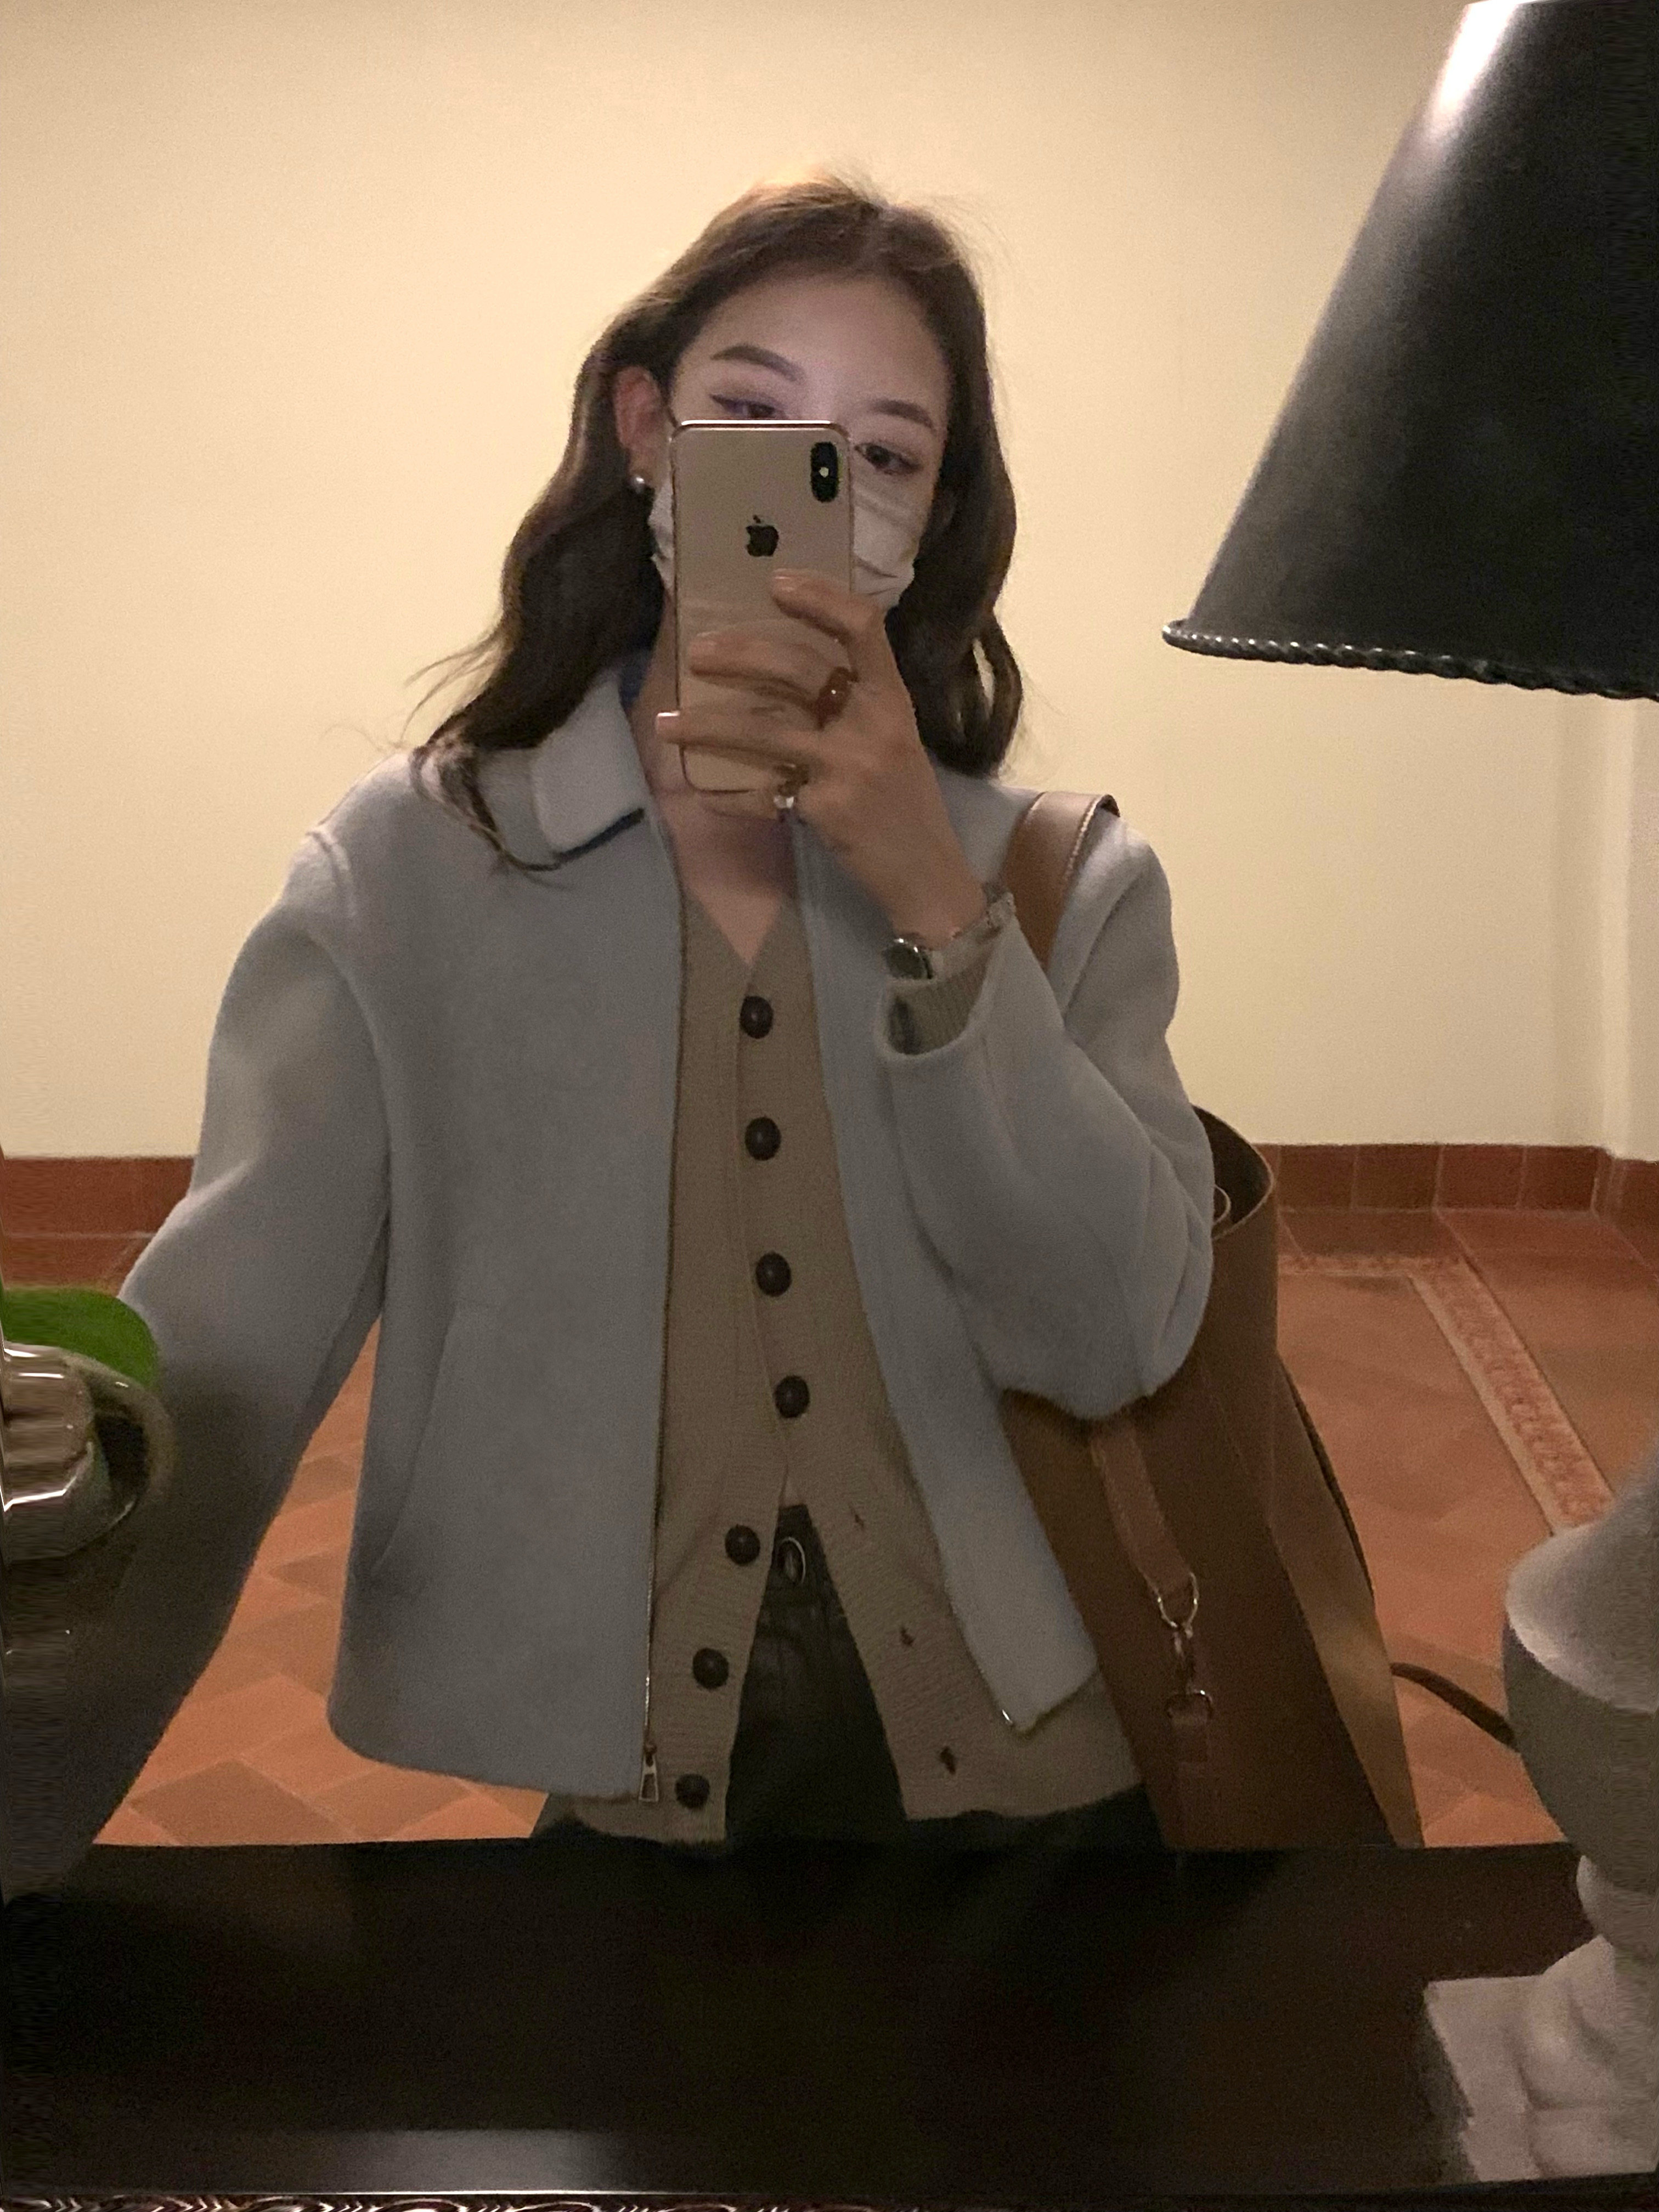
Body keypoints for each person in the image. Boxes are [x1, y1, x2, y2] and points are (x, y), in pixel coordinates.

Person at [10, 173, 1215, 1891]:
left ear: (936, 515)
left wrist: (934, 899)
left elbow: (1112, 1336)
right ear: (648, 431)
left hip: (1054, 1797)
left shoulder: (1062, 884)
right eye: (753, 415)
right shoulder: (412, 874)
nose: (818, 483)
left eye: (883, 454)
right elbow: (220, 1373)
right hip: (635, 1802)